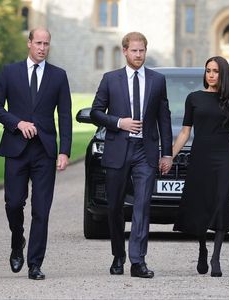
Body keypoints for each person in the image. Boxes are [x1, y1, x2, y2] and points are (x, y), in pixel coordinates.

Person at [0, 28, 72, 280]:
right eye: (38, 43)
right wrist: (17, 123)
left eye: (46, 44)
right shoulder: (10, 72)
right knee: (13, 203)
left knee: (41, 210)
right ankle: (17, 240)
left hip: (44, 151)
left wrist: (65, 151)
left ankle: (35, 263)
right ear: (29, 43)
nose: (42, 48)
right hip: (16, 149)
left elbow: (65, 116)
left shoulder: (58, 76)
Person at [90, 32, 173, 278]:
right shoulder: (110, 79)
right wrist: (118, 122)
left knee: (142, 205)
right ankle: (118, 255)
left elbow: (164, 119)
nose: (138, 55)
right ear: (124, 51)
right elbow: (96, 112)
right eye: (134, 51)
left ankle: (138, 261)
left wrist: (166, 154)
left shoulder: (158, 80)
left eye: (142, 51)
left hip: (144, 152)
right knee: (115, 207)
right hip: (117, 149)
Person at [172, 56, 229, 277]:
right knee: (201, 203)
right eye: (208, 70)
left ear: (223, 74)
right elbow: (185, 132)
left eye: (215, 71)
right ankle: (202, 248)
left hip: (224, 157)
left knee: (221, 202)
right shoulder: (194, 98)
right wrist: (170, 156)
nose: (210, 74)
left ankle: (216, 257)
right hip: (200, 156)